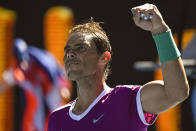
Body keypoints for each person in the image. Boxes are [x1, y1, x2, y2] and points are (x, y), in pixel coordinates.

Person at [48, 3, 189, 131]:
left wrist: (160, 31)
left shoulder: (128, 100)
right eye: (68, 50)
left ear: (104, 57)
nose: (70, 54)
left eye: (81, 48)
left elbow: (177, 93)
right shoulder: (57, 118)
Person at [1, 38, 70, 131]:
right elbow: (9, 77)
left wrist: (62, 87)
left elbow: (53, 69)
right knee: (35, 109)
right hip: (38, 86)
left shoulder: (39, 59)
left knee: (55, 109)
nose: (22, 65)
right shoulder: (17, 64)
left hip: (53, 83)